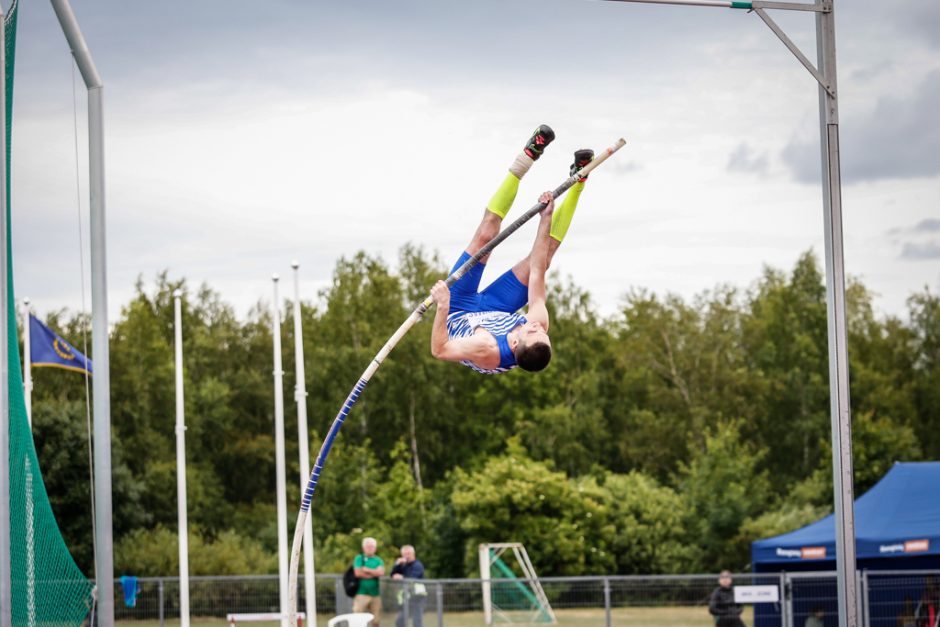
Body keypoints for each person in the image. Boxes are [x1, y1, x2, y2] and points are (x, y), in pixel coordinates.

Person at [430, 124, 594, 374]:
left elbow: (440, 350)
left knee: (486, 236)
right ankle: (579, 178)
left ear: (516, 342)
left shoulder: (484, 349)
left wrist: (442, 305)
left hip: (458, 309)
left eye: (532, 330)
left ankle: (524, 158)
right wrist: (545, 218)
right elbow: (538, 269)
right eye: (542, 332)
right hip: (495, 310)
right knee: (545, 258)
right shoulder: (536, 328)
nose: (537, 327)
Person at [390, 545, 427, 627]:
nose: (407, 556)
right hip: (407, 597)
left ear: (413, 553)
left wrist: (401, 577)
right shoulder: (403, 565)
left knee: (417, 620)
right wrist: (397, 564)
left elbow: (413, 578)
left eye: (409, 553)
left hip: (418, 597)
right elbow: (392, 574)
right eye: (405, 554)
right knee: (400, 621)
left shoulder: (418, 565)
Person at [352, 537, 386, 626]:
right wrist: (374, 573)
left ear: (375, 548)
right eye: (368, 547)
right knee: (358, 618)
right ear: (364, 548)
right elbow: (358, 573)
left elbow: (381, 572)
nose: (370, 549)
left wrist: (367, 570)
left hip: (375, 593)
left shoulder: (378, 560)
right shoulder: (359, 558)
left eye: (372, 547)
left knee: (376, 619)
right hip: (361, 593)